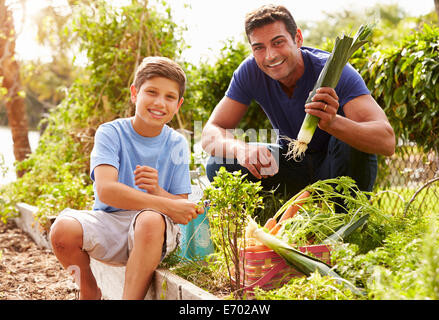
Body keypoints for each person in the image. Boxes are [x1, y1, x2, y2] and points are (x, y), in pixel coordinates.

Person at [201, 4, 395, 201]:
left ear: (298, 38)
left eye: (278, 42)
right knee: (219, 163)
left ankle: (344, 221)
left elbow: (387, 142)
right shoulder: (250, 72)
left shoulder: (337, 71)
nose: (270, 56)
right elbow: (210, 133)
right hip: (290, 164)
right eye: (259, 47)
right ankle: (272, 219)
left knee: (350, 141)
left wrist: (333, 123)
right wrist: (242, 150)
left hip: (336, 168)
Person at [49, 56, 203, 300]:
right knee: (62, 229)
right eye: (151, 92)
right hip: (110, 223)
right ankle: (89, 290)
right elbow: (107, 191)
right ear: (134, 93)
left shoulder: (177, 143)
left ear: (178, 104)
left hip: (154, 232)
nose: (159, 102)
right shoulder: (111, 133)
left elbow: (180, 209)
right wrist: (165, 202)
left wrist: (156, 190)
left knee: (151, 220)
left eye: (170, 97)